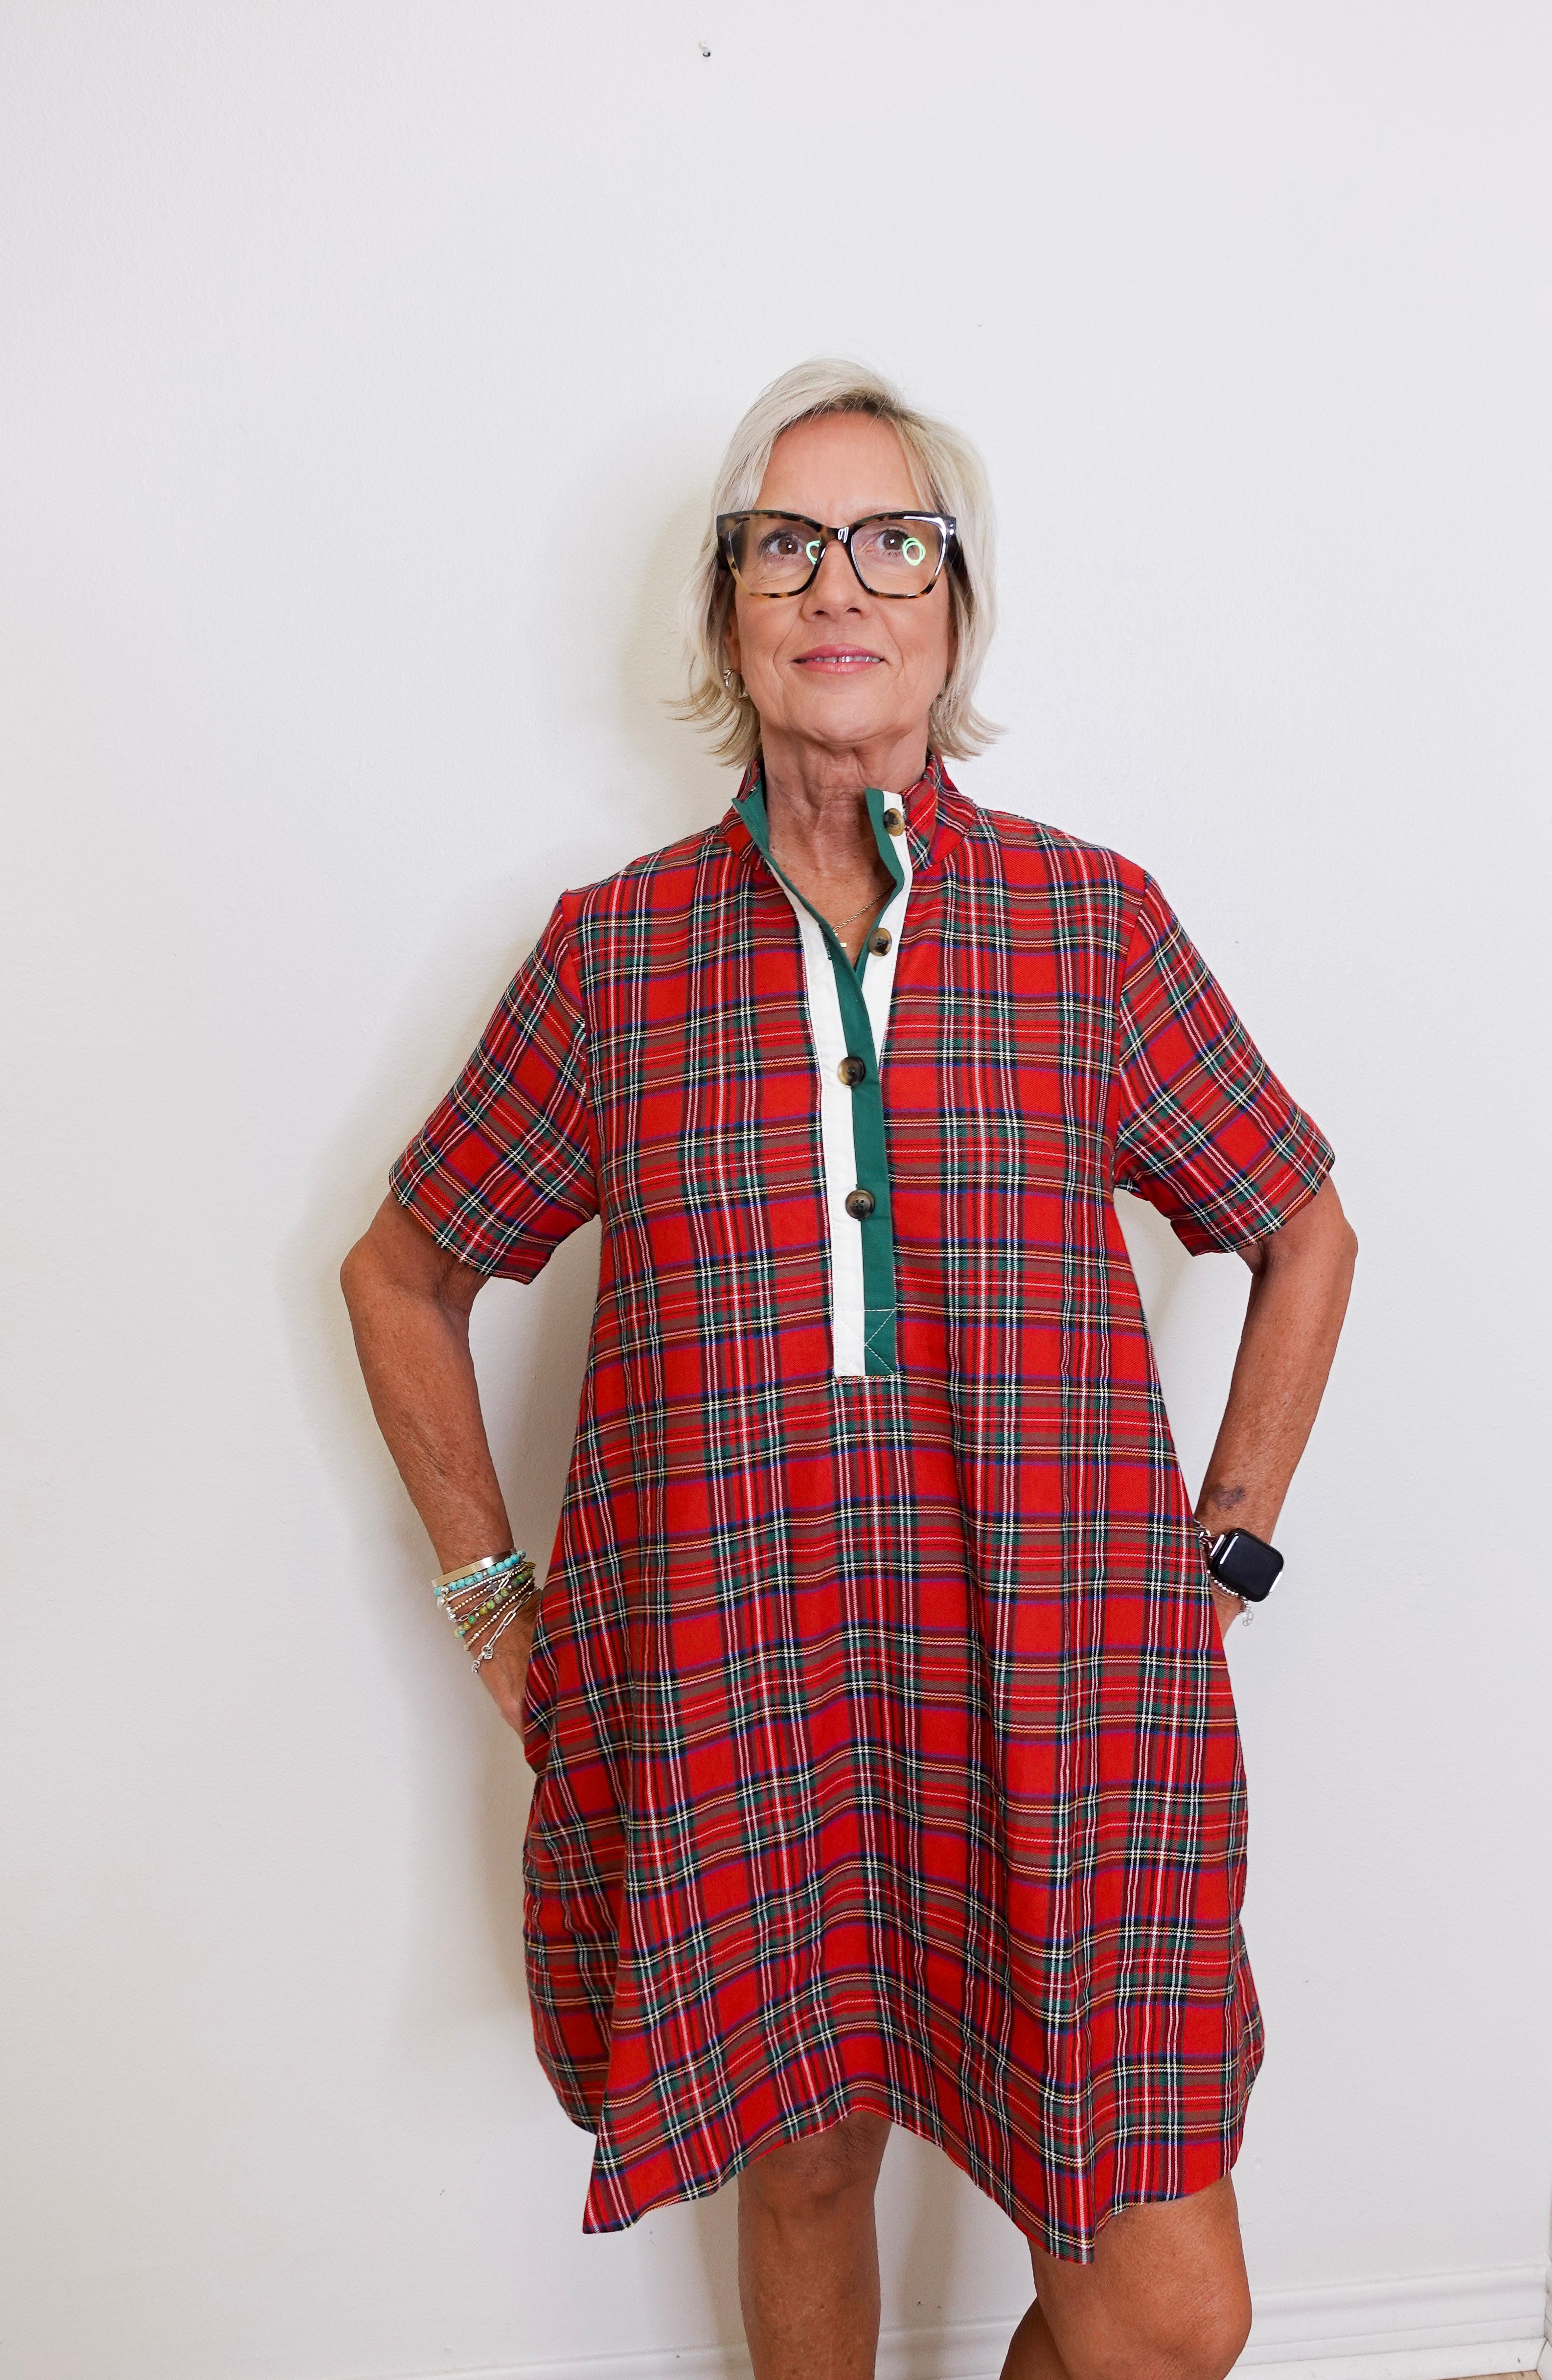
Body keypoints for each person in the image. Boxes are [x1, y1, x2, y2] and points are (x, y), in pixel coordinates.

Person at [341, 358, 1357, 2380]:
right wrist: (493, 1598)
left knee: (1168, 2314)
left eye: (894, 540)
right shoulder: (616, 962)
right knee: (803, 2174)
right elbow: (402, 1271)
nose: (840, 582)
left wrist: (1220, 1553)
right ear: (732, 610)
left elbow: (1299, 1218)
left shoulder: (1088, 926)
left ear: (954, 608)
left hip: (1061, 1708)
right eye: (786, 543)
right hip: (754, 1700)